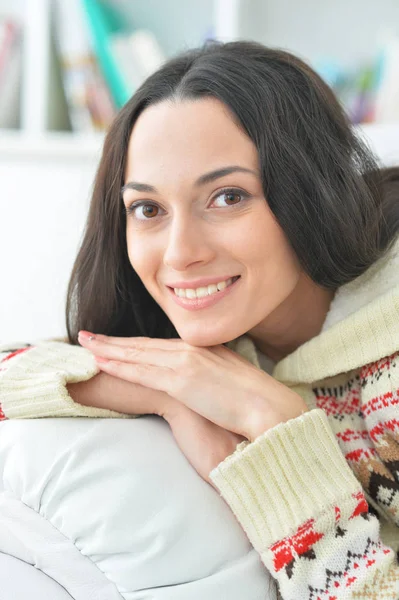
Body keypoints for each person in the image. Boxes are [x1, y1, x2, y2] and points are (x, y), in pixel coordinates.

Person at [1, 39, 399, 598]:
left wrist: (279, 434)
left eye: (228, 196)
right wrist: (166, 390)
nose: (179, 253)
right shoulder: (216, 339)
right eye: (148, 209)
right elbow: (10, 369)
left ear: (310, 190)